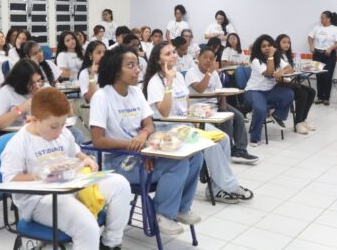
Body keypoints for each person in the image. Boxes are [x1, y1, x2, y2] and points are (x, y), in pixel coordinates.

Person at [0, 88, 130, 250]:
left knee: (120, 186)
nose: (59, 132)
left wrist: (87, 159)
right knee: (86, 225)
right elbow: (9, 179)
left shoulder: (62, 134)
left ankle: (111, 246)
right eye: (53, 126)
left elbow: (75, 153)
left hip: (69, 187)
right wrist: (38, 175)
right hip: (38, 200)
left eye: (63, 124)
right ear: (33, 119)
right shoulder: (20, 143)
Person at [89, 46, 202, 236]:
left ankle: (182, 207)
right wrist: (134, 146)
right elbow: (98, 141)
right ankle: (163, 214)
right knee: (178, 164)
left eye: (136, 64)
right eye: (130, 65)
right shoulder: (102, 97)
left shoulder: (136, 92)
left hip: (141, 152)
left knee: (195, 156)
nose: (137, 69)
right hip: (117, 161)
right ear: (116, 69)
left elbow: (150, 125)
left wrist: (143, 137)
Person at [144, 44, 254, 204]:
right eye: (168, 54)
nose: (173, 55)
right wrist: (168, 83)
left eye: (173, 52)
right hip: (169, 128)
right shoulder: (155, 82)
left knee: (222, 138)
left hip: (186, 123)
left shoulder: (179, 77)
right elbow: (165, 113)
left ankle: (217, 190)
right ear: (157, 60)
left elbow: (186, 104)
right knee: (211, 145)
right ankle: (230, 186)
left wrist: (197, 116)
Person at [186, 47, 257, 163]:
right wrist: (209, 73)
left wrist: (224, 109)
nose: (208, 61)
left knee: (238, 116)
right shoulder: (192, 72)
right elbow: (199, 89)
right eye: (205, 57)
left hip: (214, 105)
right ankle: (227, 152)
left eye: (211, 58)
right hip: (198, 108)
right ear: (198, 58)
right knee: (226, 119)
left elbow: (221, 92)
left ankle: (240, 150)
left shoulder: (213, 73)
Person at [244, 35, 294, 146]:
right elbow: (268, 73)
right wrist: (271, 56)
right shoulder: (256, 60)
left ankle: (277, 115)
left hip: (270, 91)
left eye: (269, 45)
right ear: (259, 48)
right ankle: (254, 137)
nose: (267, 48)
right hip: (254, 91)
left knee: (289, 94)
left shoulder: (278, 58)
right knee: (260, 109)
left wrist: (282, 72)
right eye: (263, 46)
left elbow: (290, 68)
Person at [276, 34, 316, 134]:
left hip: (291, 82)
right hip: (281, 84)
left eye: (288, 42)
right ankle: (298, 123)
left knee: (311, 91)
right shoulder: (276, 56)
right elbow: (278, 73)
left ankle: (303, 120)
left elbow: (291, 70)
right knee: (302, 94)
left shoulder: (287, 55)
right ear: (278, 43)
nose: (287, 44)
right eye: (284, 42)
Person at [0, 59, 42, 131]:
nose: (37, 86)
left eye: (38, 80)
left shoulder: (43, 88)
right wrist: (21, 109)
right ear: (21, 82)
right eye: (31, 83)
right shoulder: (7, 91)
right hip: (14, 135)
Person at [307, 10, 337, 105]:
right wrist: (311, 46)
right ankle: (319, 97)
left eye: (322, 18)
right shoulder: (317, 28)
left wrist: (330, 48)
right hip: (317, 54)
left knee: (327, 76)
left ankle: (326, 98)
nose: (321, 19)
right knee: (318, 76)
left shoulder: (335, 29)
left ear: (328, 19)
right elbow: (310, 37)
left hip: (329, 55)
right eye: (320, 18)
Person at [78, 41, 107, 105]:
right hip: (97, 106)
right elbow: (90, 99)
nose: (102, 55)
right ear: (90, 55)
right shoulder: (85, 73)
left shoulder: (110, 69)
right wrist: (92, 75)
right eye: (99, 52)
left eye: (104, 52)